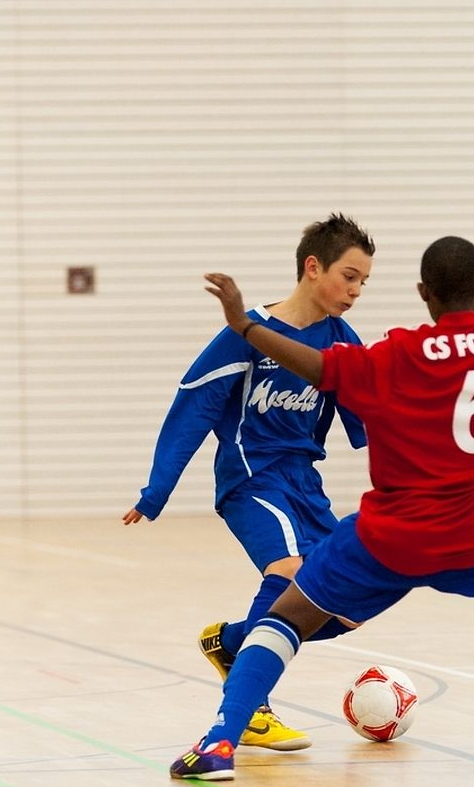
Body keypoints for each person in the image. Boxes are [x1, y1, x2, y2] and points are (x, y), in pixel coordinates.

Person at [168, 225, 474, 782]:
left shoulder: (392, 355)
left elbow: (315, 367)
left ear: (423, 293)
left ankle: (220, 742)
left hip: (390, 543)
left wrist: (246, 326)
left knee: (286, 616)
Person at [123, 213, 374, 752]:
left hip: (305, 484)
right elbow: (193, 407)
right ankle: (250, 710)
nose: (356, 291)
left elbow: (372, 417)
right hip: (251, 480)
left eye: (363, 282)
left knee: (348, 605)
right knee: (289, 573)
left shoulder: (341, 342)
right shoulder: (248, 332)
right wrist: (156, 490)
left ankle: (233, 642)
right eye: (349, 277)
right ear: (313, 267)